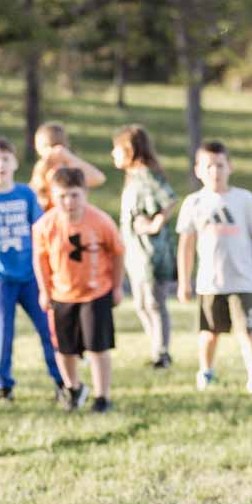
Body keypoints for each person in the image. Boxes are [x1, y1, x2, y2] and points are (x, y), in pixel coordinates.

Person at [0, 137, 65, 402]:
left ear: (15, 163)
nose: (0, 165)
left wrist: (52, 272)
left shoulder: (26, 195)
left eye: (5, 159)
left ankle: (62, 381)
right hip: (0, 280)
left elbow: (41, 233)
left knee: (49, 330)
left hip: (32, 277)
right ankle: (3, 385)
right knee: (1, 336)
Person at [176, 141, 252, 394]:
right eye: (209, 166)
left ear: (230, 167)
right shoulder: (193, 202)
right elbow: (186, 246)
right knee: (209, 333)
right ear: (198, 170)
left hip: (242, 281)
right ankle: (206, 373)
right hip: (209, 283)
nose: (215, 171)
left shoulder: (244, 199)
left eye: (220, 165)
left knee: (248, 332)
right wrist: (184, 281)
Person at [33, 166, 123, 413]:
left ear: (85, 194)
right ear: (53, 196)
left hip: (95, 292)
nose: (69, 202)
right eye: (62, 196)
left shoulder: (100, 221)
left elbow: (117, 253)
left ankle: (102, 396)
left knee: (98, 347)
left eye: (74, 195)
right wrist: (44, 291)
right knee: (65, 349)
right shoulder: (45, 225)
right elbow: (40, 260)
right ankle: (73, 388)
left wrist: (116, 286)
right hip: (62, 294)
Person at [111, 125, 180, 369]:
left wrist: (155, 224)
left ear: (130, 149)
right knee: (140, 303)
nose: (113, 154)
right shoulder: (132, 177)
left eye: (117, 149)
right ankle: (155, 347)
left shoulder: (147, 174)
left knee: (154, 302)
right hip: (134, 253)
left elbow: (169, 199)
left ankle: (162, 353)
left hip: (151, 252)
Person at [28, 122, 106, 212]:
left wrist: (69, 157)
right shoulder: (42, 167)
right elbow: (32, 191)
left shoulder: (69, 169)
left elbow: (99, 178)